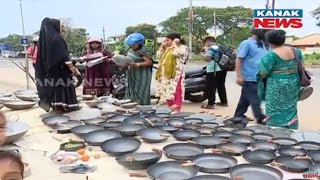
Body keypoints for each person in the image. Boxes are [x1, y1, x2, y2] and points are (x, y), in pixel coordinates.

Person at [257, 30, 302, 129]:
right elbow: (301, 67)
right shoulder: (296, 51)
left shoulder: (270, 55)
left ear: (269, 41)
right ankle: (292, 127)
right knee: (291, 107)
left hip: (276, 86)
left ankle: (276, 130)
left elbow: (263, 74)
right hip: (293, 84)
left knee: (274, 108)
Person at [35, 17, 80, 112]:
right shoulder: (57, 39)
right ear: (55, 26)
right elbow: (64, 56)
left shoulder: (45, 41)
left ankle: (58, 106)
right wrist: (73, 69)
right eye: (61, 26)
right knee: (65, 87)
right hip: (62, 70)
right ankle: (69, 106)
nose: (62, 28)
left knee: (57, 88)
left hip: (52, 71)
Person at [234, 29, 269, 124]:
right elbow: (239, 59)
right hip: (250, 77)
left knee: (245, 99)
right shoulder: (246, 43)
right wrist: (239, 76)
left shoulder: (262, 44)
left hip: (260, 77)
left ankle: (238, 116)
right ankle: (261, 118)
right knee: (255, 100)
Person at [155, 33, 186, 113]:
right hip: (167, 75)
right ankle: (172, 108)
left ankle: (177, 109)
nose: (165, 42)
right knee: (167, 91)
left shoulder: (183, 48)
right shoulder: (169, 48)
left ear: (175, 40)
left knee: (176, 91)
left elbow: (177, 54)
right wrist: (162, 46)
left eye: (168, 40)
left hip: (176, 74)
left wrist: (175, 44)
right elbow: (159, 55)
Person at [124, 33, 153, 105]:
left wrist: (137, 64)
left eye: (134, 44)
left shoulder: (143, 50)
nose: (132, 46)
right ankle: (132, 106)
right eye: (131, 44)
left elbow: (149, 62)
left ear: (140, 43)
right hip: (132, 73)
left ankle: (143, 108)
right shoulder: (130, 51)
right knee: (131, 92)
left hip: (142, 75)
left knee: (142, 92)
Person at [201, 36, 228, 109]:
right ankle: (224, 102)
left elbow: (207, 59)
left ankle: (210, 104)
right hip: (223, 68)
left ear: (207, 41)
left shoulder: (211, 48)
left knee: (211, 86)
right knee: (221, 85)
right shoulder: (220, 47)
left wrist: (204, 54)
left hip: (213, 69)